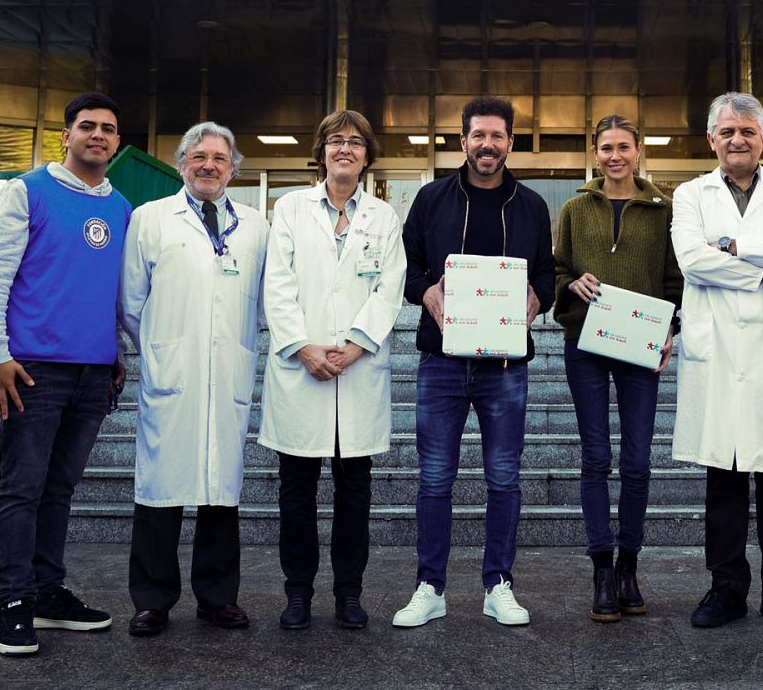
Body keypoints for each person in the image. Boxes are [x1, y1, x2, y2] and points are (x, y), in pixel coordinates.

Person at [0, 92, 131, 656]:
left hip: (93, 373)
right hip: (31, 370)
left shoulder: (121, 207)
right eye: (87, 126)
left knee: (59, 488)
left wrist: (118, 354)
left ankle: (47, 592)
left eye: (108, 129)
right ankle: (13, 604)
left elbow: (112, 294)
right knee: (20, 487)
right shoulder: (28, 191)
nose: (98, 136)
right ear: (66, 134)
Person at [390, 95, 555, 629]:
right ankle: (429, 587)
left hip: (504, 366)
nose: (488, 145)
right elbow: (407, 268)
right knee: (434, 478)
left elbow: (547, 276)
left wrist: (538, 299)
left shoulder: (531, 206)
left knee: (504, 478)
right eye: (478, 135)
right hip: (441, 360)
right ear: (462, 141)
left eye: (498, 136)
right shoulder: (431, 199)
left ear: (510, 142)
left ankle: (498, 585)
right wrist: (426, 293)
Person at [670, 92, 763, 630]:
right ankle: (726, 588)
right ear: (712, 140)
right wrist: (761, 264)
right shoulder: (690, 194)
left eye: (748, 132)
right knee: (724, 482)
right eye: (728, 132)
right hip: (719, 354)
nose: (738, 140)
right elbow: (691, 260)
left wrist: (732, 246)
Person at [118, 121, 267, 638]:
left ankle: (217, 597)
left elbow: (267, 303)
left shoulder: (255, 225)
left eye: (220, 159)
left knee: (221, 489)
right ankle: (153, 600)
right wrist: (164, 349)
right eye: (199, 156)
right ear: (181, 163)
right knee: (159, 489)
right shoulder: (151, 219)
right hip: (173, 372)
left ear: (233, 169)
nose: (209, 166)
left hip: (227, 371)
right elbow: (131, 302)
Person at [260, 110, 405, 631]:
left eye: (356, 142)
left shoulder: (384, 218)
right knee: (296, 493)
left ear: (368, 155)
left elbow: (390, 286)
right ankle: (298, 593)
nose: (345, 149)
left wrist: (357, 345)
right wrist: (303, 347)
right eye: (335, 141)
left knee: (354, 494)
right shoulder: (292, 208)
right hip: (303, 370)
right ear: (320, 152)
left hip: (357, 370)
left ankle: (349, 593)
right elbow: (277, 283)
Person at [552, 114, 682, 623]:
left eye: (623, 147)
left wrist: (672, 325)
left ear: (638, 150)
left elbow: (675, 281)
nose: (614, 156)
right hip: (585, 342)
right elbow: (558, 269)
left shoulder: (663, 211)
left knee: (637, 460)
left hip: (640, 343)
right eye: (605, 147)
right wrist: (572, 284)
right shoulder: (575, 208)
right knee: (595, 457)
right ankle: (601, 569)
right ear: (595, 152)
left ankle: (630, 564)